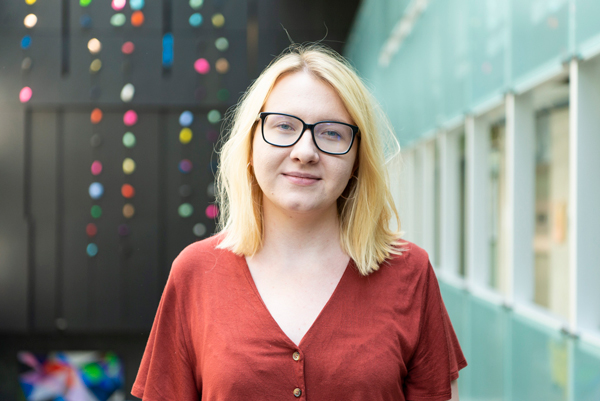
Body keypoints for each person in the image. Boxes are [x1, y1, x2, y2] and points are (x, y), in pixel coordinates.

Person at [132, 43, 467, 401]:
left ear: (357, 156)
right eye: (283, 126)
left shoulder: (409, 272)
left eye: (332, 133)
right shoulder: (195, 273)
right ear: (250, 142)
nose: (305, 152)